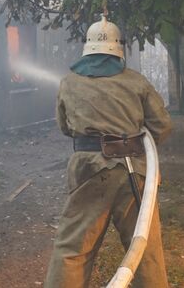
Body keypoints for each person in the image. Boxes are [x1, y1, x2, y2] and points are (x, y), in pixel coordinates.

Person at [44, 15, 172, 288]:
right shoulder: (136, 82)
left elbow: (65, 127)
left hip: (89, 171)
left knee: (73, 249)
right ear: (119, 48)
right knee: (144, 249)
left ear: (87, 47)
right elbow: (161, 126)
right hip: (134, 173)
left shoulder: (69, 83)